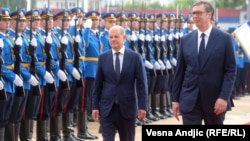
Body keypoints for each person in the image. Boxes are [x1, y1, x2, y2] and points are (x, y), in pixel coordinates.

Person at [171, 0, 237, 125]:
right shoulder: (186, 40)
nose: (195, 16)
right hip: (190, 99)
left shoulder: (225, 39)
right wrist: (175, 100)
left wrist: (224, 97)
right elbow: (180, 71)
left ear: (209, 15)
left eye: (199, 13)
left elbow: (231, 70)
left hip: (215, 100)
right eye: (193, 13)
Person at [92, 25, 148, 141]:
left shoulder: (135, 58)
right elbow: (97, 85)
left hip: (127, 108)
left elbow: (142, 84)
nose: (113, 39)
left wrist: (143, 106)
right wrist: (95, 106)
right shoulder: (103, 58)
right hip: (107, 108)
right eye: (111, 37)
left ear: (124, 38)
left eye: (116, 37)